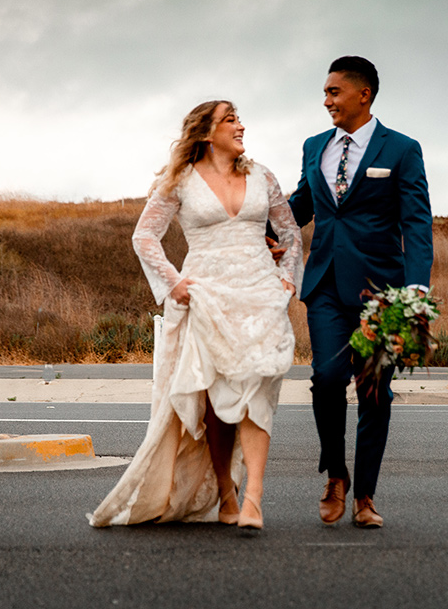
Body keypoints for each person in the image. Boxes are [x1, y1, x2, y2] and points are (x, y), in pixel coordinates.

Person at [88, 100, 302, 531]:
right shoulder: (180, 182)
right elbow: (145, 235)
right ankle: (226, 493)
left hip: (260, 295)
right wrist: (174, 283)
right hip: (205, 297)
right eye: (230, 119)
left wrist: (287, 280)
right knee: (216, 402)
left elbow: (291, 233)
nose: (241, 125)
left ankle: (255, 498)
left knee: (257, 394)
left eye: (239, 118)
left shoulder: (262, 176)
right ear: (206, 131)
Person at [287, 56, 433, 528]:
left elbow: (417, 223)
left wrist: (415, 291)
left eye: (333, 91)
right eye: (326, 92)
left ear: (362, 94)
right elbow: (301, 205)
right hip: (325, 284)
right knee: (326, 381)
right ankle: (336, 474)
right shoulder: (314, 147)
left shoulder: (402, 150)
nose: (326, 100)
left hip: (383, 294)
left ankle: (365, 496)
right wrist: (256, 223)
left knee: (374, 393)